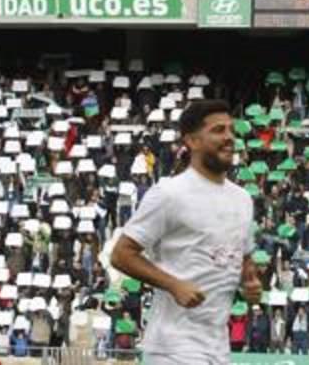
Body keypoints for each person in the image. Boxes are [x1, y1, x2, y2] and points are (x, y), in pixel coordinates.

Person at [110, 99, 264, 365]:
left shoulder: (242, 199)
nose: (229, 137)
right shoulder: (169, 194)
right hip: (173, 347)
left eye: (231, 130)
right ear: (192, 141)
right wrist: (173, 284)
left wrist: (250, 282)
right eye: (218, 130)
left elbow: (243, 257)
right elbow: (121, 254)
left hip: (218, 347)